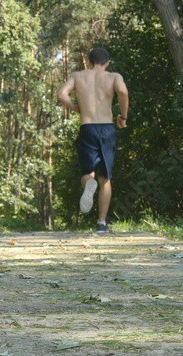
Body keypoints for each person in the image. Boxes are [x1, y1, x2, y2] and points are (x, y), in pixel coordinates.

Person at [57, 47, 129, 234]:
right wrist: (123, 116)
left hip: (87, 127)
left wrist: (74, 107)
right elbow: (123, 92)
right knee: (106, 178)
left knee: (88, 172)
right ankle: (101, 223)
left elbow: (61, 94)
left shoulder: (78, 76)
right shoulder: (113, 76)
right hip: (106, 128)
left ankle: (89, 183)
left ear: (89, 62)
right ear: (107, 63)